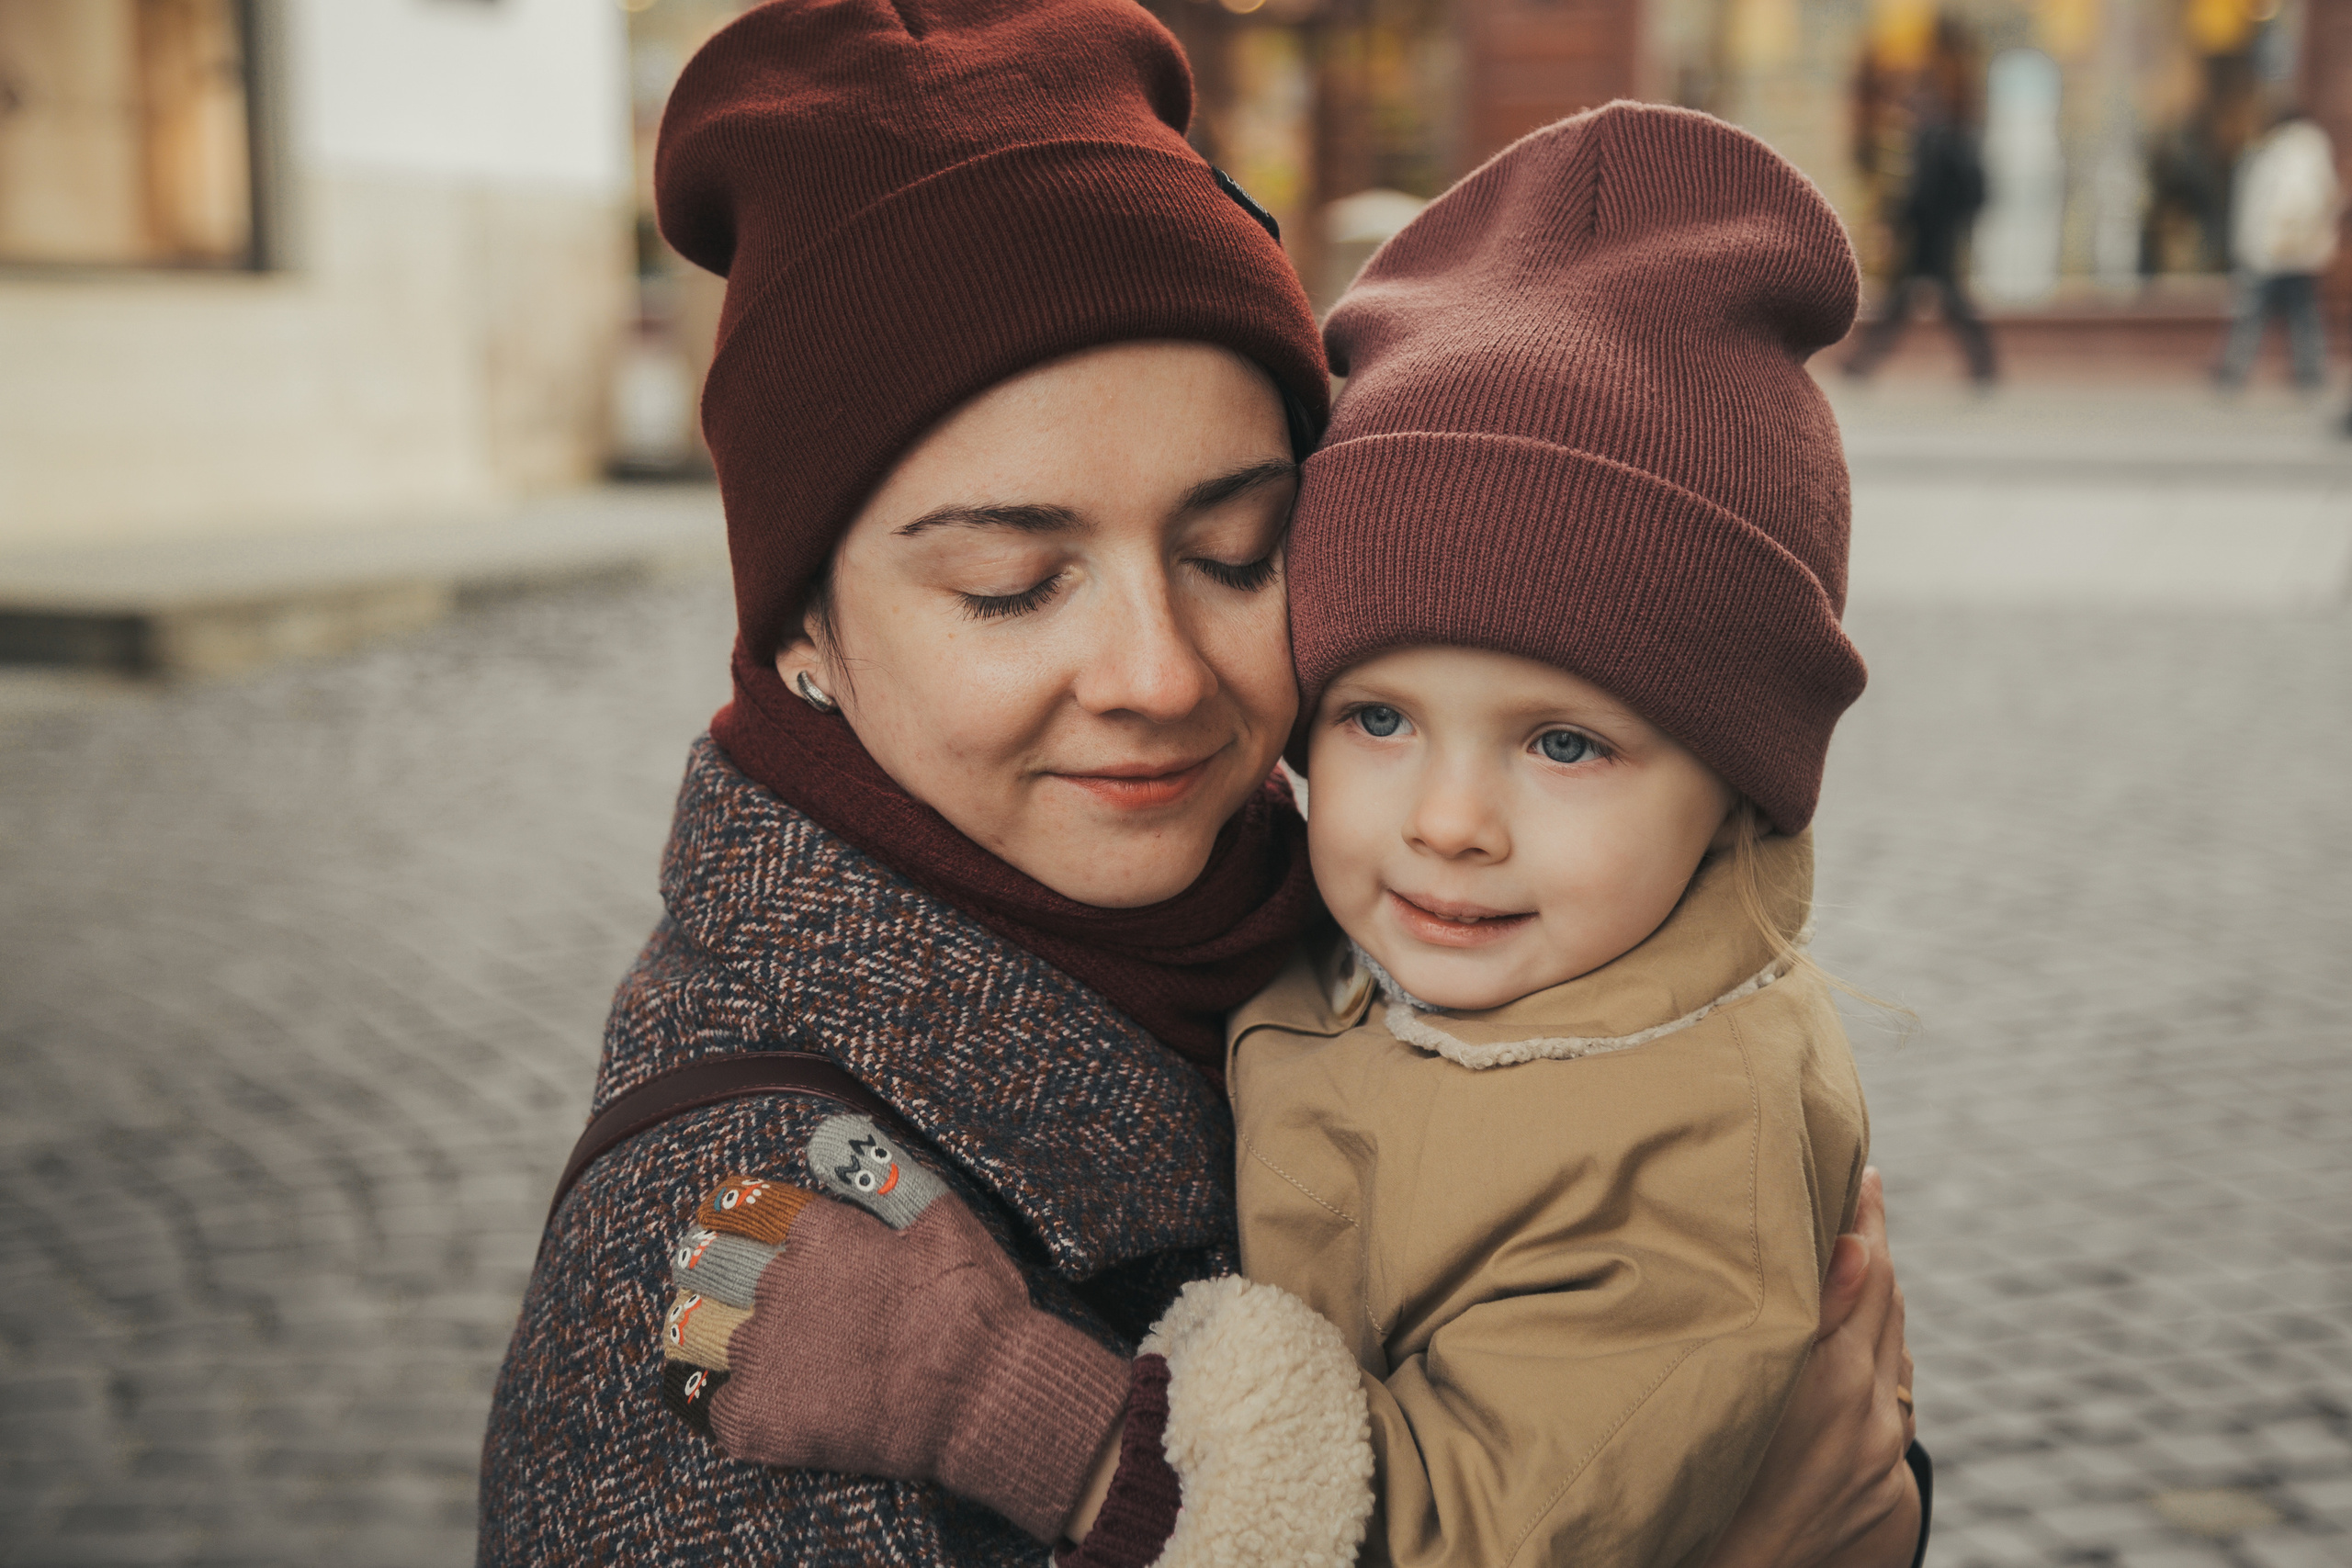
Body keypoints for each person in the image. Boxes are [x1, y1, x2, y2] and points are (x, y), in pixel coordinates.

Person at [477, 3, 1927, 1563]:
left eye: (1236, 552)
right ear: (805, 629)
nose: (1159, 673)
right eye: (1014, 582)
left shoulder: (1438, 954)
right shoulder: (736, 1257)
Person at [1845, 16, 1997, 386]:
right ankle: (1981, 365)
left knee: (1922, 302)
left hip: (1928, 235)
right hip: (1935, 234)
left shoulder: (1931, 138)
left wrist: (1897, 221)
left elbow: (1921, 191)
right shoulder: (1945, 133)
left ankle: (1865, 364)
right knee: (1920, 302)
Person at [2217, 106, 2342, 391]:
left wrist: (2284, 236)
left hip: (2279, 250)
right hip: (2286, 252)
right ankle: (2308, 370)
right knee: (2300, 313)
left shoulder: (2293, 152)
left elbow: (2295, 198)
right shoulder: (2301, 150)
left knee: (2259, 312)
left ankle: (2237, 369)